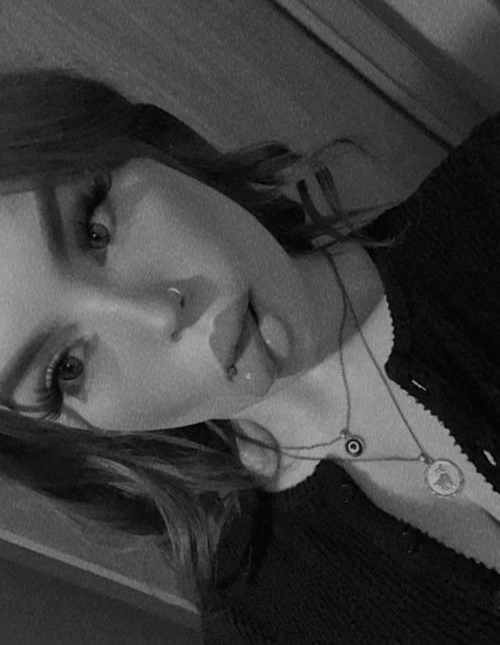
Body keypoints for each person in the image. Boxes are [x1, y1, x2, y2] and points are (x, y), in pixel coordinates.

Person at [0, 66, 499, 644]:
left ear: (156, 149)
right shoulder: (261, 624)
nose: (157, 313)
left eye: (95, 230)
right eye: (67, 369)